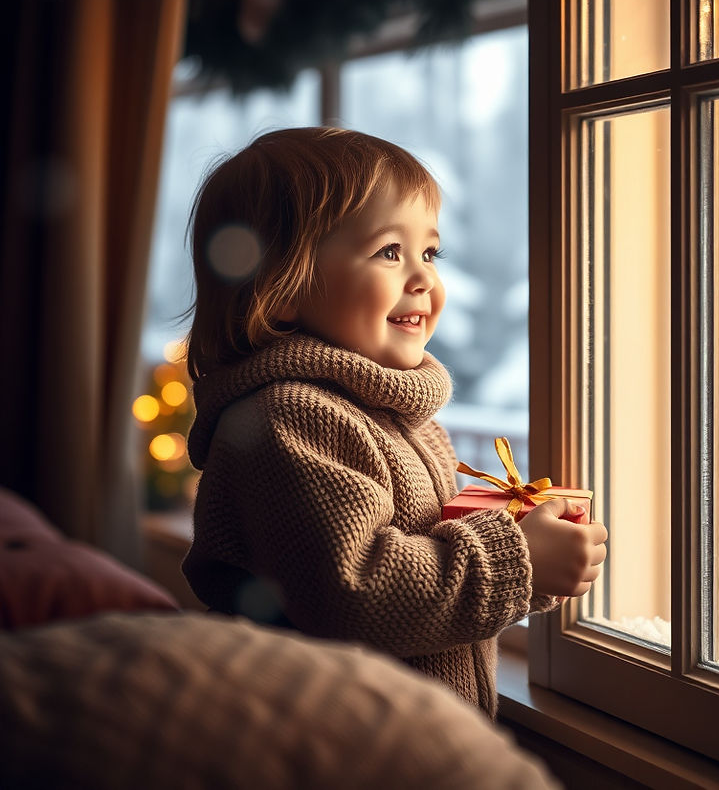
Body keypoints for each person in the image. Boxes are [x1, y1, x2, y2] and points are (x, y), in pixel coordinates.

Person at [181, 127, 608, 718]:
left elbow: (425, 555)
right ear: (282, 288)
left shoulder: (397, 415)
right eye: (389, 252)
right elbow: (357, 593)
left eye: (430, 253)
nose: (424, 278)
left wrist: (524, 542)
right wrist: (517, 558)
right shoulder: (288, 419)